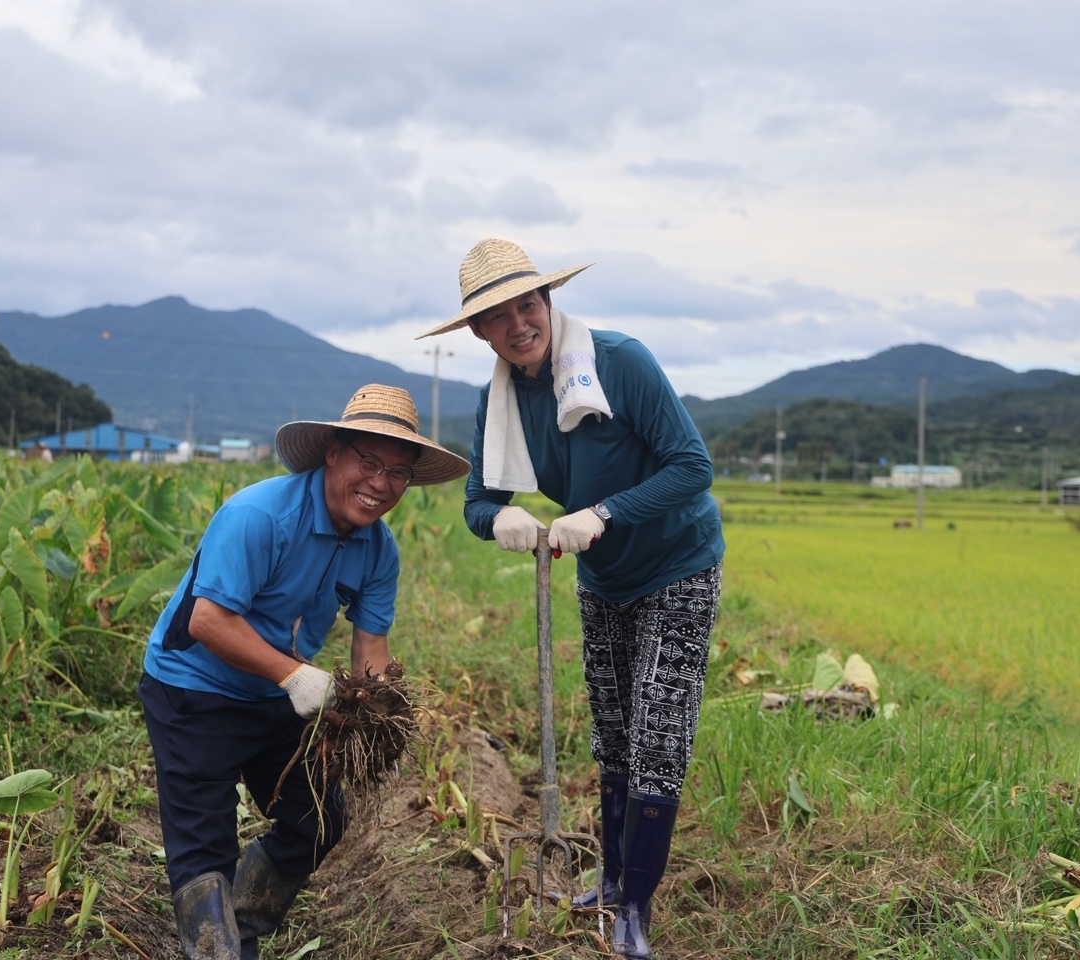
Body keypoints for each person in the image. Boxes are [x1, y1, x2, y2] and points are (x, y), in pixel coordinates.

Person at [418, 239, 725, 959]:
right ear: (479, 332)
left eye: (528, 303)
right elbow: (477, 500)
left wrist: (604, 513)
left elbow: (694, 467)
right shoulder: (499, 400)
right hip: (603, 580)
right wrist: (501, 519)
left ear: (547, 301)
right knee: (613, 732)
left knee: (659, 734)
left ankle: (635, 911)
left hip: (678, 564)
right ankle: (612, 880)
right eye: (499, 315)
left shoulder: (620, 363)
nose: (519, 322)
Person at [138, 385, 470, 960]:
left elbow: (370, 646)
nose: (379, 483)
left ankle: (240, 927)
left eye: (396, 472)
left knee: (317, 818)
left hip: (275, 692)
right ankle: (216, 949)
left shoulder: (377, 549)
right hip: (193, 688)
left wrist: (382, 712)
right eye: (368, 462)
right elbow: (209, 621)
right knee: (204, 847)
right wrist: (295, 678)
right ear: (332, 454)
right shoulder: (259, 516)